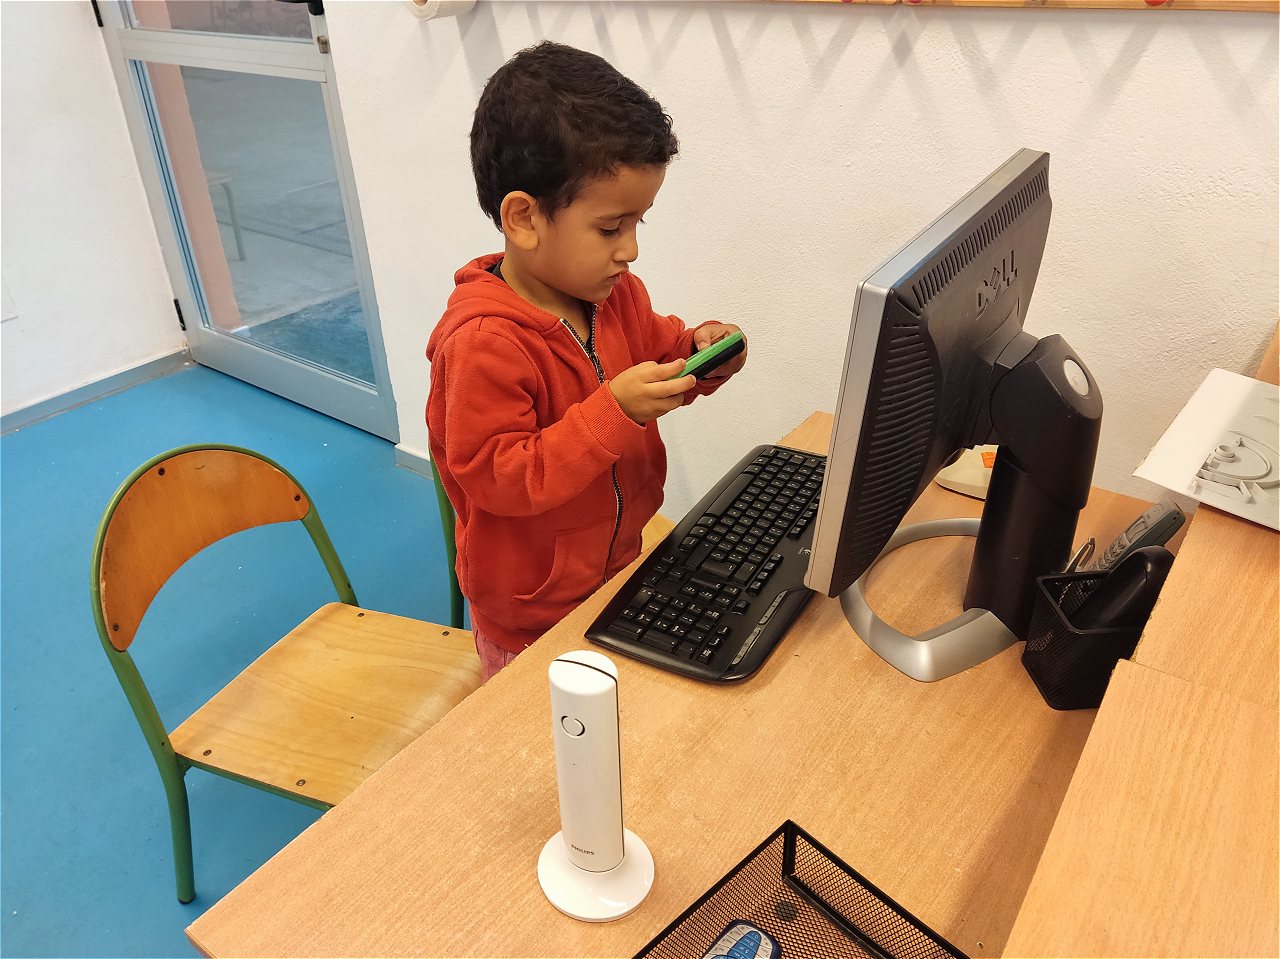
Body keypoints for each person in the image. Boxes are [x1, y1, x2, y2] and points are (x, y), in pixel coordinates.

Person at [426, 41, 747, 681]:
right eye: (610, 228)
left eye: (639, 224)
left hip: (620, 569)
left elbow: (660, 351)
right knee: (536, 734)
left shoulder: (616, 295)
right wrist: (612, 413)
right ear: (524, 218)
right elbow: (498, 477)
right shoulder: (483, 341)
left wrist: (699, 353)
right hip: (531, 614)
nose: (630, 250)